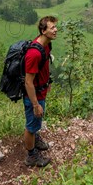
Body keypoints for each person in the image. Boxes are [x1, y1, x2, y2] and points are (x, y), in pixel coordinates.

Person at [23, 15, 58, 167]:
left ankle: (35, 139)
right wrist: (35, 104)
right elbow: (28, 82)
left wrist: (47, 81)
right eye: (52, 28)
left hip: (41, 90)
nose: (56, 30)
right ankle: (31, 156)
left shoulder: (47, 44)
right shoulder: (34, 53)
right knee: (31, 126)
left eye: (55, 27)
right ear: (43, 31)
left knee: (36, 122)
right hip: (33, 95)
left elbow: (44, 65)